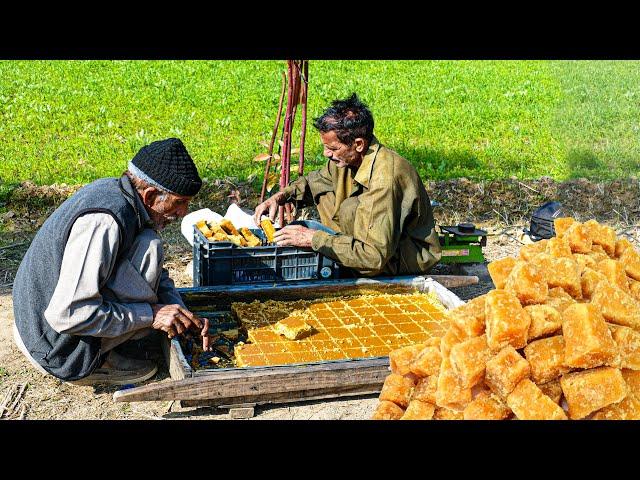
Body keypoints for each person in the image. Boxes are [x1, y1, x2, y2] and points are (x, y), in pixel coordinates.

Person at [12, 138, 209, 385]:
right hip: (53, 345)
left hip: (44, 324)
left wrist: (178, 307)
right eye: (179, 203)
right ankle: (96, 361)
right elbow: (68, 314)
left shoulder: (123, 195)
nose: (183, 213)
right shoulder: (104, 222)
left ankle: (110, 340)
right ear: (149, 196)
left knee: (150, 245)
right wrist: (151, 315)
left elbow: (157, 272)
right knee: (149, 254)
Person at [254, 93, 441, 277]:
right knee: (325, 191)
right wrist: (280, 197)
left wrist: (313, 239)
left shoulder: (384, 180)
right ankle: (342, 253)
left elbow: (373, 258)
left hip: (400, 256)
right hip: (370, 245)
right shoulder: (347, 159)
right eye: (325, 147)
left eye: (333, 148)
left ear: (358, 144)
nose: (326, 154)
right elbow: (313, 182)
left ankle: (344, 262)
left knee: (347, 216)